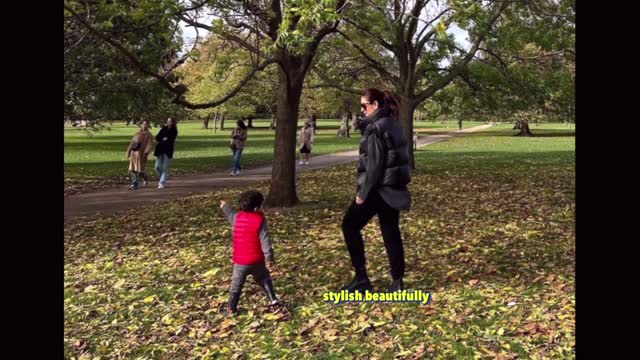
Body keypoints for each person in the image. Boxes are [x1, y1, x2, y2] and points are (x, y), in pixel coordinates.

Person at [340, 88, 412, 293]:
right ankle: (397, 281)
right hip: (393, 190)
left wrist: (362, 194)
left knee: (349, 226)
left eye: (364, 106)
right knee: (390, 232)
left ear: (376, 105)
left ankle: (361, 279)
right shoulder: (394, 124)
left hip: (377, 190)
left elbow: (375, 166)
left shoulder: (374, 128)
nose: (362, 110)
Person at [219, 190, 278, 315]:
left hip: (240, 261)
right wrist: (269, 257)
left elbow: (229, 213)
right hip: (257, 260)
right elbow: (265, 239)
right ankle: (273, 300)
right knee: (263, 277)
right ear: (257, 207)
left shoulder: (237, 218)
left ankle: (231, 308)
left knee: (236, 283)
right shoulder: (260, 220)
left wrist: (225, 206)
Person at [126, 119, 153, 190]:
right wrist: (128, 152)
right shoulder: (137, 134)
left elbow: (149, 145)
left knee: (140, 171)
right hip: (134, 154)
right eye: (143, 124)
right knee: (133, 169)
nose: (144, 125)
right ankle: (134, 184)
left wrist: (146, 152)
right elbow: (132, 143)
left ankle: (145, 178)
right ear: (141, 125)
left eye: (146, 124)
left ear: (148, 125)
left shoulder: (149, 135)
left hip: (141, 155)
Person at [153, 117, 178, 189]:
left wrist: (164, 139)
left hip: (168, 151)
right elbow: (157, 137)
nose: (168, 122)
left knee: (165, 167)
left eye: (169, 121)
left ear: (172, 122)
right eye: (167, 121)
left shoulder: (174, 131)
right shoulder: (163, 128)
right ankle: (163, 177)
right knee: (157, 167)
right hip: (160, 150)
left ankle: (161, 182)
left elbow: (170, 139)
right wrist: (163, 139)